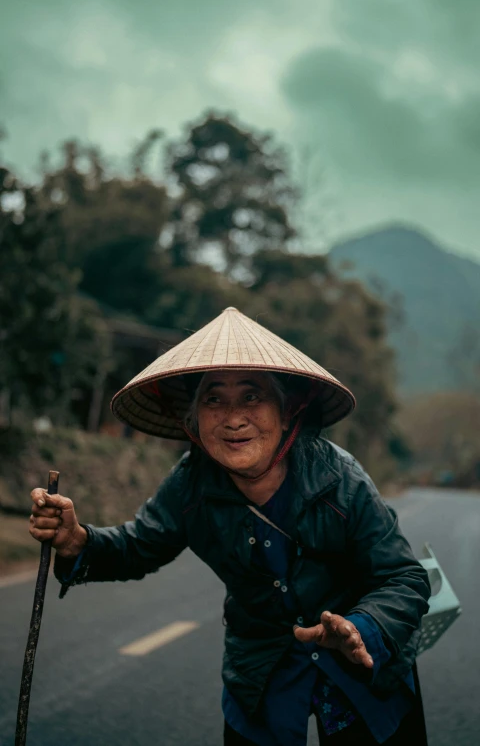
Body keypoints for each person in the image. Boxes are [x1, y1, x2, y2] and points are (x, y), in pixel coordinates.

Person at [29, 307, 430, 745]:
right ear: (195, 421)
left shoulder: (340, 479)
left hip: (364, 677)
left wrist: (361, 627)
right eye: (214, 399)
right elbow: (138, 546)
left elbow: (404, 577)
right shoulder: (191, 483)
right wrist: (76, 541)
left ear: (286, 410)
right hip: (261, 678)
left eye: (252, 396)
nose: (233, 418)